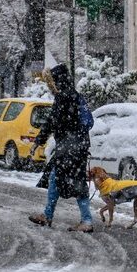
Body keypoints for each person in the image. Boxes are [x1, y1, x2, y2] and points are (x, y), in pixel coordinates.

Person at [28, 64, 94, 233]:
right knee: (70, 180)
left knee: (57, 178)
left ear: (57, 81)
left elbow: (52, 122)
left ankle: (51, 216)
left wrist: (38, 141)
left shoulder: (62, 98)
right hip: (79, 147)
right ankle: (82, 219)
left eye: (51, 81)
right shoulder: (76, 96)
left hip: (68, 147)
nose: (50, 85)